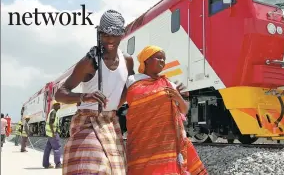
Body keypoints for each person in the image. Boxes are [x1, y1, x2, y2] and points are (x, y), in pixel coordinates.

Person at [55, 10, 134, 175]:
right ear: (99, 34)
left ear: (122, 35)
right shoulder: (89, 62)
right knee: (95, 166)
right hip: (87, 121)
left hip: (110, 121)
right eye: (105, 35)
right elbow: (60, 93)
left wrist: (114, 106)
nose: (109, 40)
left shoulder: (127, 60)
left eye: (114, 35)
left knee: (115, 170)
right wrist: (84, 96)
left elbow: (129, 87)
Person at [125, 45, 207, 175]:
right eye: (158, 58)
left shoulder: (168, 83)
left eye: (164, 59)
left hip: (166, 142)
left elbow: (184, 110)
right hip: (141, 140)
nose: (162, 61)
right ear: (146, 60)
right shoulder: (131, 81)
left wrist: (179, 98)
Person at [42, 100, 62, 169]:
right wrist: (53, 133)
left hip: (50, 134)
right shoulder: (53, 112)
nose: (60, 105)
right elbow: (51, 123)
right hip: (53, 134)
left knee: (47, 149)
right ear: (54, 106)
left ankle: (46, 164)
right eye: (58, 104)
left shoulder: (53, 112)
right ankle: (58, 164)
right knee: (57, 148)